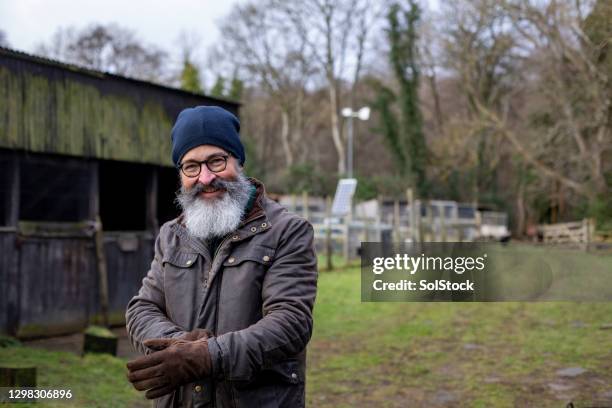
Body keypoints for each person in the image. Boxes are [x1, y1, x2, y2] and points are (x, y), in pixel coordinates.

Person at [125, 106, 318, 408]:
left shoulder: (287, 231)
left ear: (238, 161)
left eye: (216, 161)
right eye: (191, 166)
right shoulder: (172, 235)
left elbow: (291, 322)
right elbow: (142, 307)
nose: (205, 177)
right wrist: (178, 348)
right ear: (181, 174)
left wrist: (208, 356)